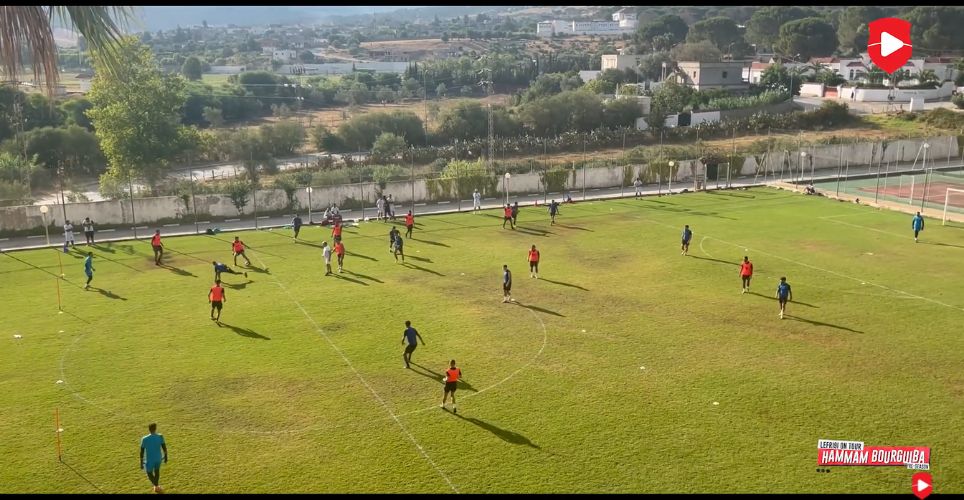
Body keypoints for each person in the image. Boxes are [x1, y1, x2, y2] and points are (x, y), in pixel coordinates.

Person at [139, 423, 168, 493]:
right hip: (159, 458)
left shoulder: (145, 439)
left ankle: (156, 486)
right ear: (155, 428)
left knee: (149, 473)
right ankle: (156, 487)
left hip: (150, 460)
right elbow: (164, 448)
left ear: (149, 429)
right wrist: (166, 457)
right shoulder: (160, 436)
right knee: (157, 471)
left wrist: (141, 462)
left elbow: (141, 451)